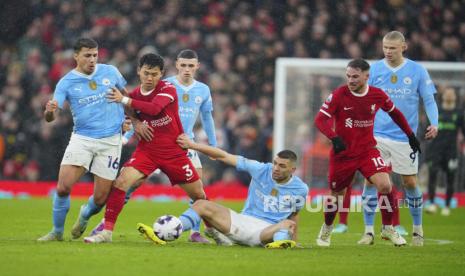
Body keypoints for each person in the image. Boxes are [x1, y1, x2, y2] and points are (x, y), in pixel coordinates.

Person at [90, 49, 217, 243]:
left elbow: (154, 108)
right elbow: (130, 111)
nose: (150, 78)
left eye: (154, 74)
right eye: (146, 73)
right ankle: (106, 229)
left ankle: (207, 231)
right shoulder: (146, 90)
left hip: (177, 148)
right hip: (148, 150)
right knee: (123, 183)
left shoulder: (172, 89)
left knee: (199, 193)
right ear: (139, 71)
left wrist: (212, 145)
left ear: (161, 74)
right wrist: (132, 125)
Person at [313, 58, 421, 247]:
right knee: (336, 194)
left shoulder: (377, 95)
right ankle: (327, 228)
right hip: (343, 153)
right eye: (348, 76)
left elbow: (395, 113)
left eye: (355, 76)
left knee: (385, 186)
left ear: (366, 76)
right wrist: (334, 137)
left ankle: (388, 228)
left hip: (367, 151)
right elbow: (320, 119)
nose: (351, 80)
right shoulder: (339, 94)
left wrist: (410, 135)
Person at [137, 133, 309, 248]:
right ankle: (165, 233)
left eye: (282, 166)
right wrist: (193, 145)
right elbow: (224, 156)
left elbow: (294, 214)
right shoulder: (260, 169)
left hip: (266, 233)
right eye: (275, 163)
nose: (276, 168)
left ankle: (280, 245)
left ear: (293, 170)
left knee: (288, 224)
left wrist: (295, 241)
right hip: (242, 222)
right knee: (202, 204)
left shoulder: (301, 189)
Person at [37, 38, 129, 241]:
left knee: (100, 198)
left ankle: (85, 215)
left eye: (95, 55)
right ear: (76, 56)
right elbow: (51, 117)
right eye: (87, 55)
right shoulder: (66, 82)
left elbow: (127, 96)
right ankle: (56, 232)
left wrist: (130, 119)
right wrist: (49, 112)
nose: (92, 59)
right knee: (63, 187)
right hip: (82, 139)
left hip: (110, 141)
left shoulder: (111, 72)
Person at [356, 31, 438, 247]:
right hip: (377, 135)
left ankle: (418, 231)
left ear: (404, 46)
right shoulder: (374, 70)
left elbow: (428, 99)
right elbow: (363, 98)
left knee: (409, 182)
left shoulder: (417, 70)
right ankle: (368, 232)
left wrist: (434, 122)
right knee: (371, 180)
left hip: (405, 137)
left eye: (392, 47)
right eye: (385, 47)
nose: (388, 51)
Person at [425, 87, 464, 216]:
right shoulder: (435, 111)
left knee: (450, 178)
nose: (449, 95)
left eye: (451, 93)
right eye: (447, 93)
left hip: (451, 151)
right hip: (435, 150)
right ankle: (431, 204)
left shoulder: (459, 113)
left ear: (455, 96)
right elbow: (426, 128)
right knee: (432, 176)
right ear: (443, 96)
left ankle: (447, 206)